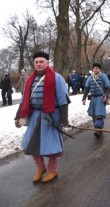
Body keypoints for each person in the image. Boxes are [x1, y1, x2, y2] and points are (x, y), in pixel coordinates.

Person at [14, 51, 70, 183]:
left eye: (41, 62)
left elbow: (63, 100)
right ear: (34, 64)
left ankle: (52, 170)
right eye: (36, 62)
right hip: (34, 116)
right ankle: (40, 168)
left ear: (47, 63)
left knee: (52, 146)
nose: (39, 64)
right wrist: (18, 116)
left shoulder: (57, 78)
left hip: (52, 117)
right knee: (31, 143)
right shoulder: (29, 79)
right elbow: (24, 100)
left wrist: (64, 119)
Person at [82, 63, 110, 137]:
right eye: (94, 68)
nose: (95, 69)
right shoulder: (90, 77)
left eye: (97, 68)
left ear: (100, 69)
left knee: (99, 114)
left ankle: (98, 129)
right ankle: (98, 128)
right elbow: (87, 88)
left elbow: (107, 87)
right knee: (94, 114)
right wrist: (84, 98)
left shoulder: (104, 76)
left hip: (101, 98)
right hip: (93, 98)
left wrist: (106, 96)